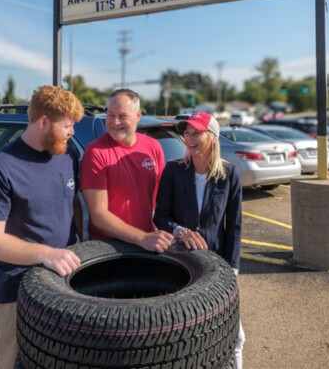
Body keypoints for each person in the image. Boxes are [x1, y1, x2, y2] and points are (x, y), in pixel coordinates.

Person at [0, 85, 85, 369]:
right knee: (11, 361)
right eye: (68, 125)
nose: (72, 132)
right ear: (43, 121)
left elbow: (72, 203)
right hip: (16, 288)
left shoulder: (68, 154)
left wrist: (83, 242)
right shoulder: (0, 168)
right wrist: (46, 253)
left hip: (64, 281)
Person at [153, 111, 245, 369]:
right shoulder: (173, 170)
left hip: (218, 267)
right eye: (187, 132)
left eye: (196, 132)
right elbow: (161, 217)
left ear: (212, 137)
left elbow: (234, 226)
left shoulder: (230, 174)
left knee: (236, 336)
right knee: (183, 334)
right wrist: (180, 231)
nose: (189, 138)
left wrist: (233, 269)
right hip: (182, 263)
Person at [80, 88, 174, 252]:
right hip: (108, 249)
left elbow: (162, 201)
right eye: (110, 115)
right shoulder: (95, 153)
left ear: (138, 115)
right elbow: (98, 216)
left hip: (147, 244)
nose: (115, 122)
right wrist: (141, 238)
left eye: (122, 116)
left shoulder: (153, 147)